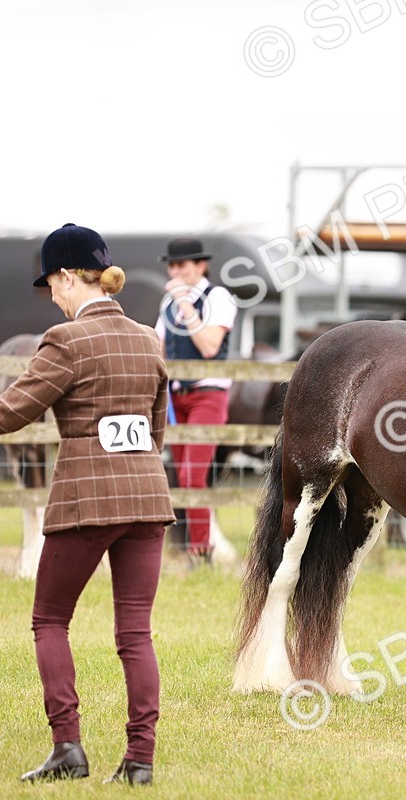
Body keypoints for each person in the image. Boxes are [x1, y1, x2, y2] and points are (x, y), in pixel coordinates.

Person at [0, 224, 174, 784]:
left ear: (70, 276)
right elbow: (155, 425)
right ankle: (140, 761)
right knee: (135, 634)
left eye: (52, 283)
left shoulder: (65, 341)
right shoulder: (149, 338)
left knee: (49, 620)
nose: (52, 296)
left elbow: (4, 415)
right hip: (147, 498)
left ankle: (68, 748)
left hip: (85, 501)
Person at [155, 237, 237, 564]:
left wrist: (187, 309)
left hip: (208, 394)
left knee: (192, 474)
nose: (176, 271)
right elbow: (158, 347)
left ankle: (200, 551)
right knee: (180, 473)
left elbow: (209, 347)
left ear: (200, 266)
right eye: (172, 265)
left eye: (182, 265)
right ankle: (191, 547)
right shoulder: (168, 305)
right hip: (177, 397)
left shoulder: (217, 297)